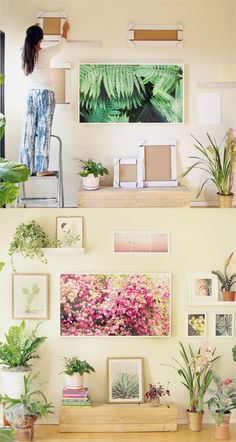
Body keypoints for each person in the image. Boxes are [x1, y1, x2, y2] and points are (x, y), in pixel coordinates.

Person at [20, 21, 69, 176]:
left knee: (28, 131)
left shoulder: (22, 53)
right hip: (45, 94)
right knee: (43, 131)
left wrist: (34, 29)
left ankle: (26, 168)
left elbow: (30, 41)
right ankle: (41, 169)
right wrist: (65, 30)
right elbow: (62, 43)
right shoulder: (46, 53)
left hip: (30, 95)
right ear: (41, 40)